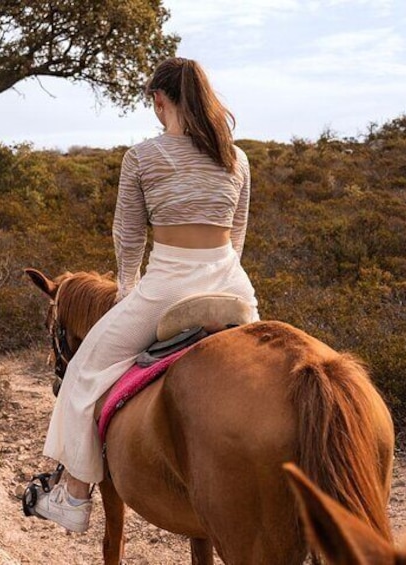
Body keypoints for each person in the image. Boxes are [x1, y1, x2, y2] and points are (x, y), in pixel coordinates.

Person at [31, 57, 260, 533]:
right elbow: (237, 239)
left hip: (168, 286)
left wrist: (129, 291)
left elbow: (128, 239)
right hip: (234, 287)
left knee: (82, 374)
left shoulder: (142, 157)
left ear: (159, 102)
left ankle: (73, 497)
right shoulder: (237, 159)